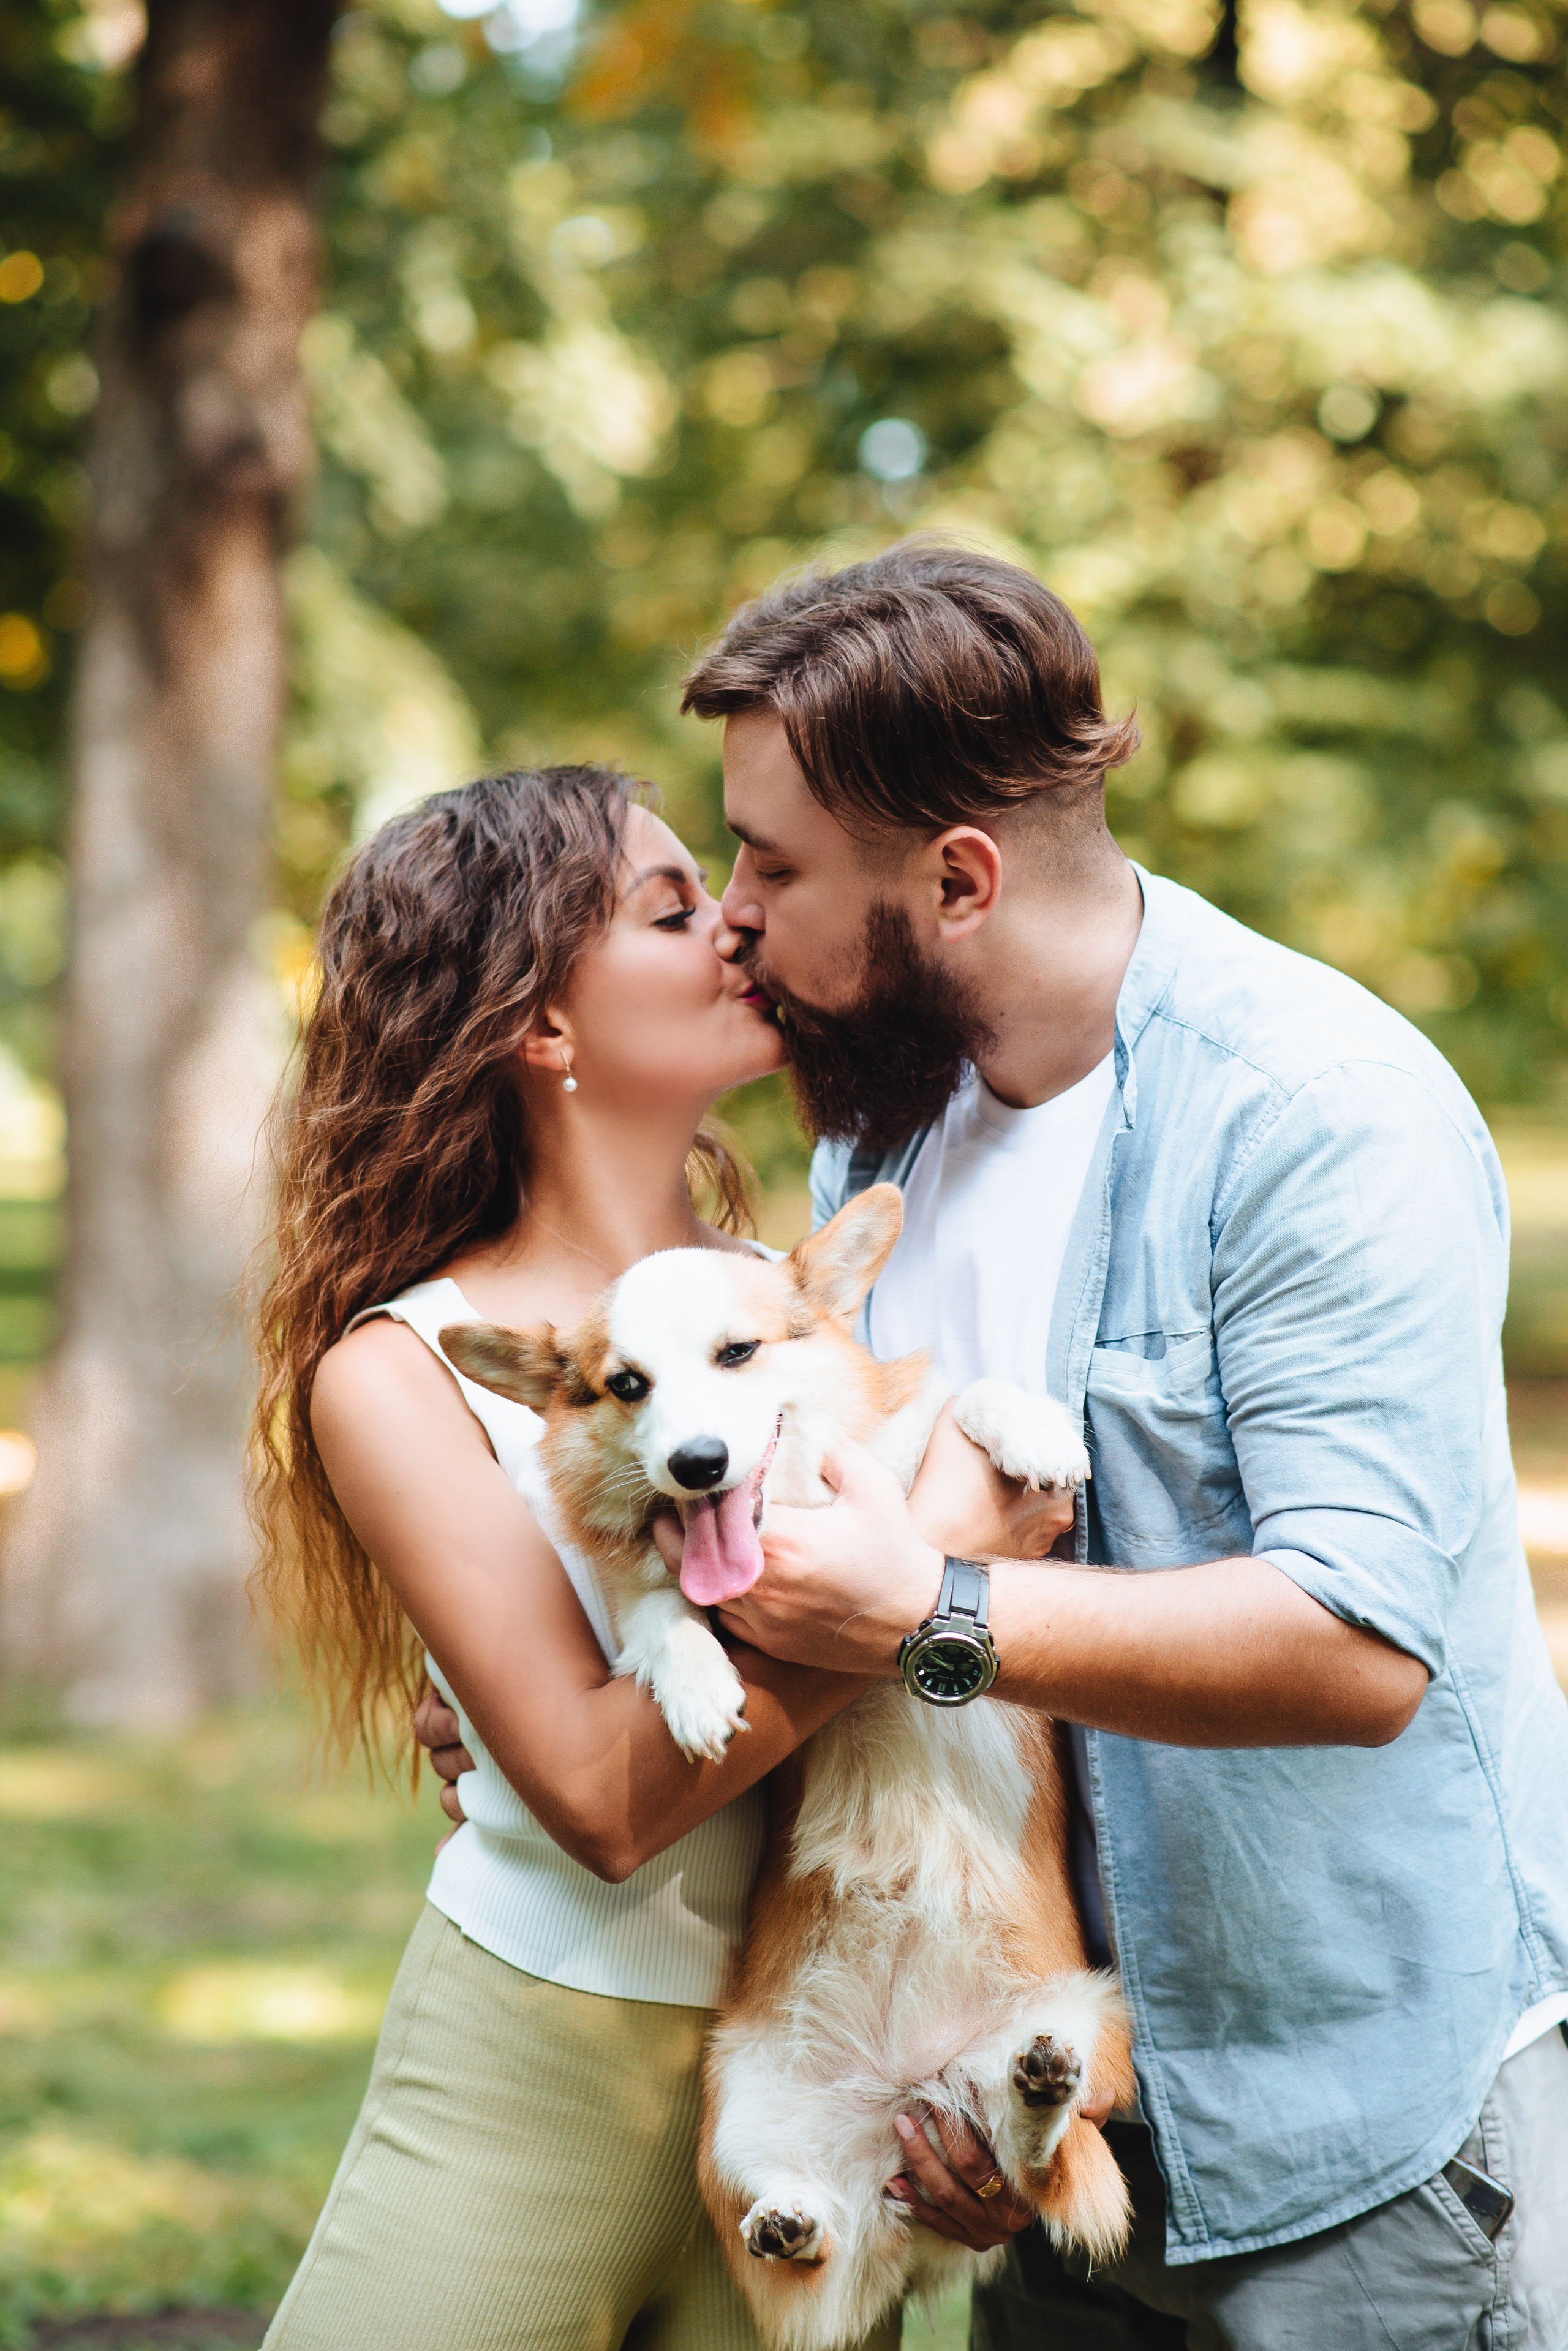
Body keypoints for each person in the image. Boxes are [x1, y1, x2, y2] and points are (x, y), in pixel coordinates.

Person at [663, 541, 1568, 2347]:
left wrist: (935, 1608)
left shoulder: (1319, 1118)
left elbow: (1358, 1641)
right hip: (1049, 2115)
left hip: (1354, 2131)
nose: (732, 913)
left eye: (772, 864)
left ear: (960, 877)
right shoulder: (882, 1147)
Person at [251, 763, 1023, 2351]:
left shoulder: (801, 1288)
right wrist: (928, 1583)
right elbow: (605, 1801)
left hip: (817, 2058)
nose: (739, 927)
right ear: (542, 1027)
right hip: (544, 2051)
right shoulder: (411, 1365)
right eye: (677, 911)